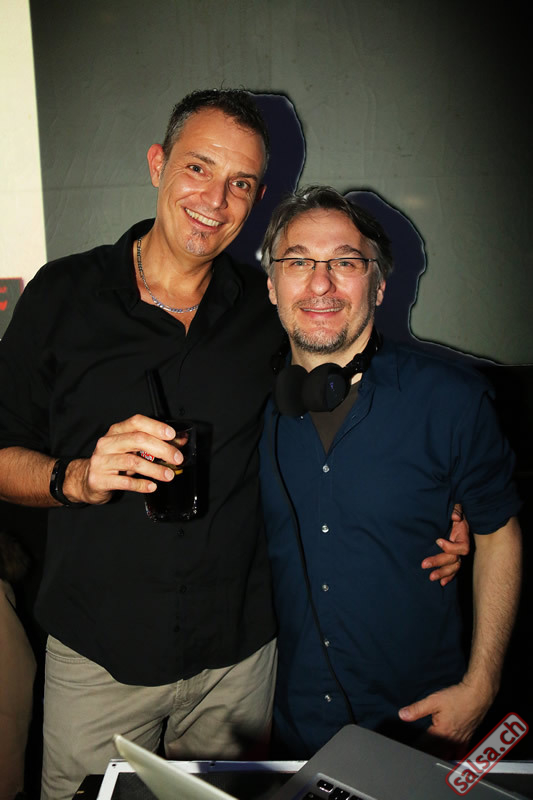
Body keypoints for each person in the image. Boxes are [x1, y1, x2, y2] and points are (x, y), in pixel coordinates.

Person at [0, 90, 464, 797]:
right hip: (99, 653)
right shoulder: (62, 295)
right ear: (157, 164)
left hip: (238, 662)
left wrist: (440, 511)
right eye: (198, 168)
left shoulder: (266, 305)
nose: (215, 200)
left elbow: (348, 400)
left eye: (240, 183)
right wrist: (76, 478)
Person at [259, 186, 522, 760]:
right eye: (298, 262)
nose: (321, 284)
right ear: (273, 285)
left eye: (345, 263)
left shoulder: (451, 400)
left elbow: (499, 534)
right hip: (290, 729)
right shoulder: (247, 409)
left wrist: (482, 685)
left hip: (420, 728)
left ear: (378, 285)